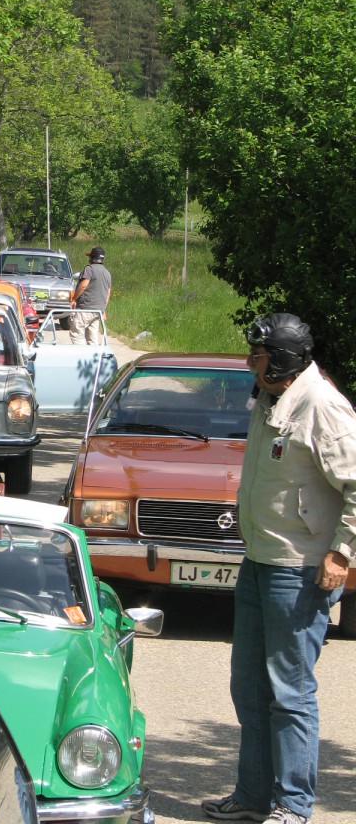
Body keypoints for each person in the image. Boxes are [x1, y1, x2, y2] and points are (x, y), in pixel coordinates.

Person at [202, 313, 356, 824]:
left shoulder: (322, 405)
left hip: (299, 569)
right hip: (260, 561)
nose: (250, 361)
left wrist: (341, 553)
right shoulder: (269, 397)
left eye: (258, 354)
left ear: (284, 360)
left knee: (290, 693)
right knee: (248, 686)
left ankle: (292, 805)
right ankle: (251, 797)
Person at [69, 246, 111, 345]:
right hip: (98, 310)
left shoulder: (89, 269)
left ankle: (81, 356)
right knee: (92, 337)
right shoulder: (107, 273)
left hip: (86, 308)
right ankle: (93, 358)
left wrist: (74, 299)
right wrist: (103, 309)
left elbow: (83, 286)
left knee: (76, 333)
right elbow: (107, 293)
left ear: (92, 258)